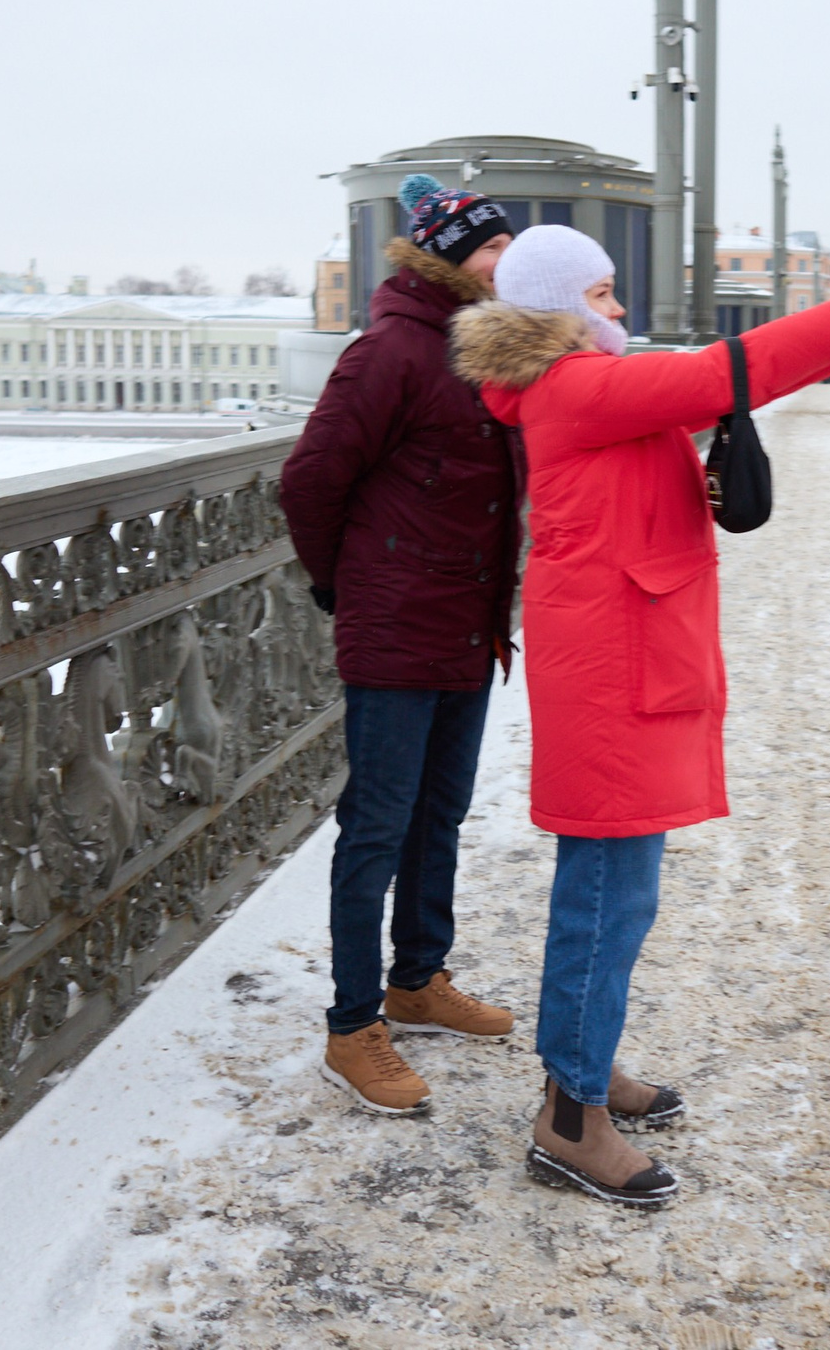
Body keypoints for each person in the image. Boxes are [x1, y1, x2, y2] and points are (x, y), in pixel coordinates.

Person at [449, 224, 830, 1207]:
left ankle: (583, 1064)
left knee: (618, 892)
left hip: (624, 666)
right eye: (602, 294)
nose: (619, 309)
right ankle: (569, 1120)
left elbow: (703, 395)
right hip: (611, 679)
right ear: (559, 308)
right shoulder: (575, 386)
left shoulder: (579, 386)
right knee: (605, 898)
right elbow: (722, 373)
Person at [280, 173, 525, 1117]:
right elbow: (310, 480)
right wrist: (346, 586)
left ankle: (418, 980)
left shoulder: (487, 346)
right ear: (450, 256)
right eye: (494, 245)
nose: (509, 259)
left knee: (440, 814)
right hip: (397, 625)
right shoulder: (389, 350)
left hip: (466, 622)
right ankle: (353, 1027)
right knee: (377, 826)